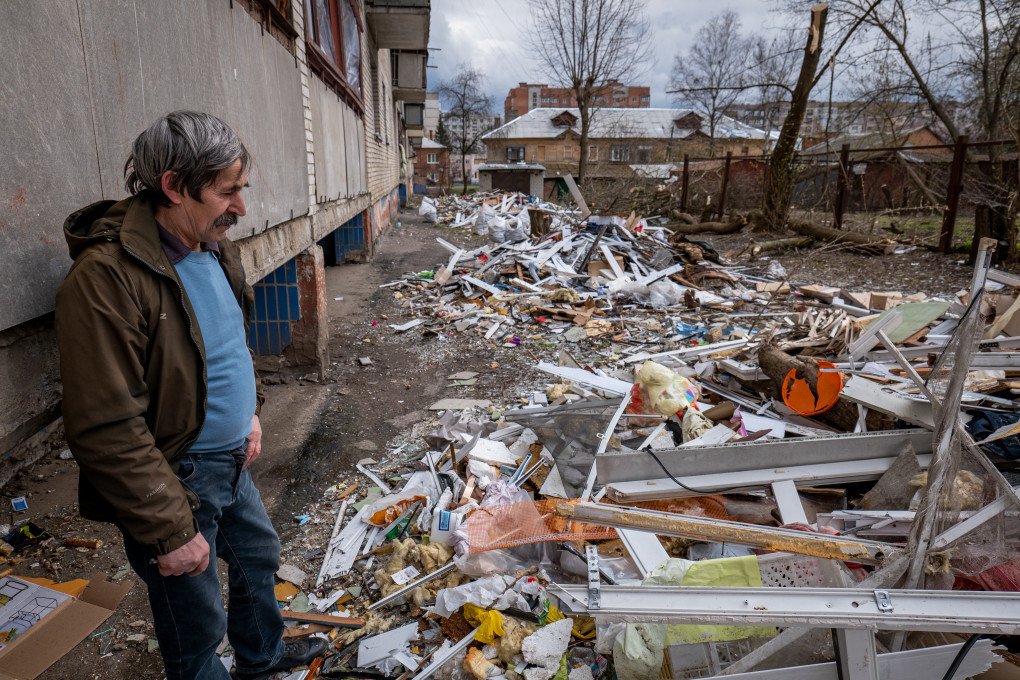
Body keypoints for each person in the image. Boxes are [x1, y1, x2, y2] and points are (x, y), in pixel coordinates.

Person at [55, 111, 326, 679]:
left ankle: (263, 659)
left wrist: (248, 414)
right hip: (177, 477)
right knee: (194, 622)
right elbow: (106, 424)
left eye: (241, 190)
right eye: (228, 192)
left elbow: (225, 344)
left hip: (230, 465)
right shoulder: (106, 277)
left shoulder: (212, 245)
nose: (242, 208)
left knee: (257, 561)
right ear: (175, 186)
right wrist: (168, 529)